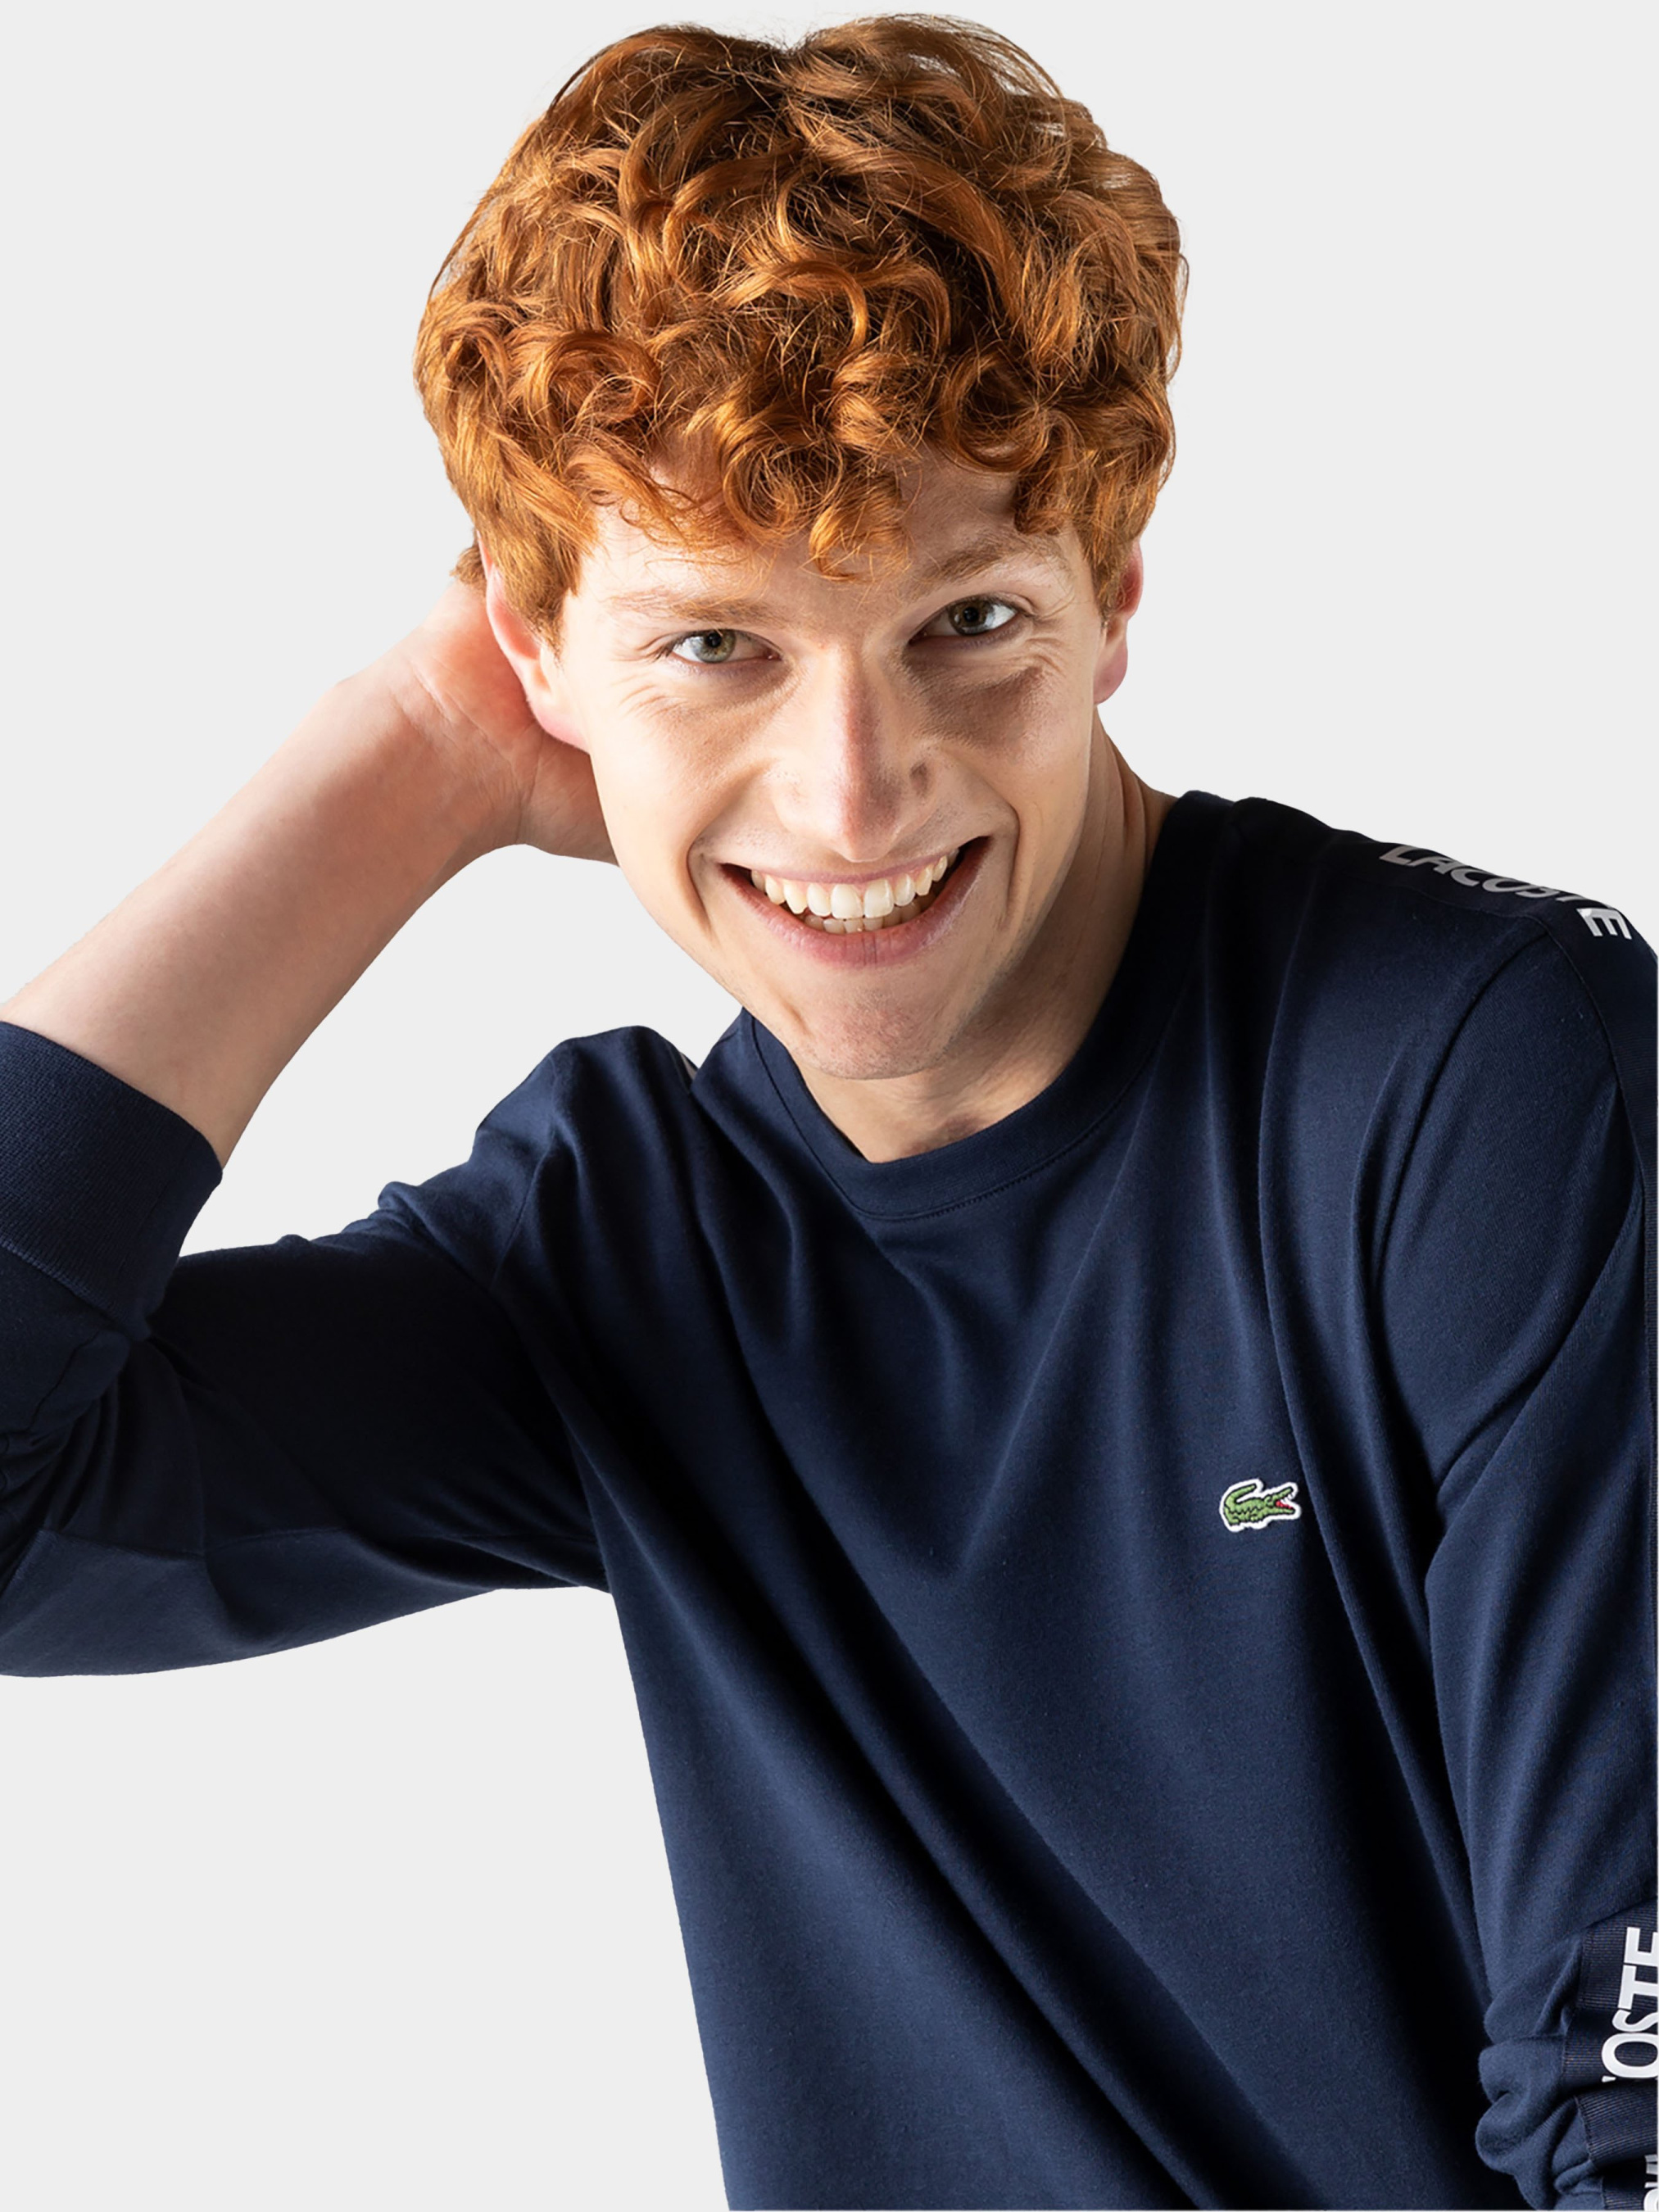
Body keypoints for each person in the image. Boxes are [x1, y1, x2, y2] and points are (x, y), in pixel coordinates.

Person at [0, 16, 1650, 2209]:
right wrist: (402, 759)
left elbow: (1627, 2112)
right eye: (717, 648)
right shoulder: (626, 1249)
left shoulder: (1479, 1080)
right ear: (538, 652)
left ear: (1113, 594)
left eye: (966, 620)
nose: (856, 795)